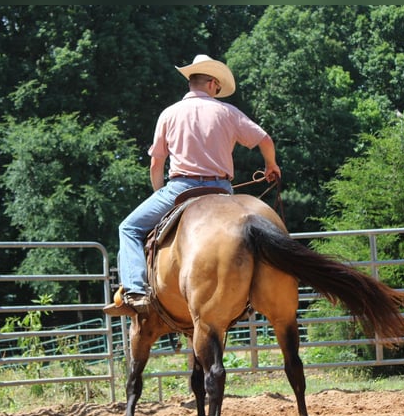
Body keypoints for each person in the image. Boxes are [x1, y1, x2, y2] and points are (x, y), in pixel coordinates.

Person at [104, 54, 281, 316]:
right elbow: (264, 140)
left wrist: (159, 194)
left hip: (179, 190)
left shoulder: (169, 113)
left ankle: (135, 292)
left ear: (193, 82)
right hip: (222, 190)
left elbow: (156, 164)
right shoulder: (228, 112)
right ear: (211, 83)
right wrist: (271, 166)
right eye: (217, 88)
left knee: (128, 228)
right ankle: (252, 294)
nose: (217, 92)